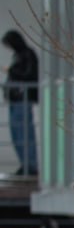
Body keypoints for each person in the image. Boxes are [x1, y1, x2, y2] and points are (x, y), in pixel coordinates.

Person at [2, 30, 38, 177]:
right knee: (16, 133)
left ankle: (30, 165)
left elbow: (28, 75)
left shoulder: (27, 54)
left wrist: (10, 70)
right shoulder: (18, 55)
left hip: (23, 98)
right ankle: (25, 164)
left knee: (24, 132)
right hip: (14, 99)